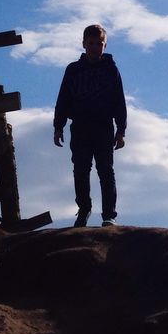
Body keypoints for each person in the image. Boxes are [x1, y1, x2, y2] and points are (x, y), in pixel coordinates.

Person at [53, 24, 127, 227]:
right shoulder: (73, 70)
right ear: (84, 44)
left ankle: (109, 215)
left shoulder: (111, 70)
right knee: (80, 169)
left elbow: (119, 100)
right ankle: (83, 210)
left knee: (105, 170)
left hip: (103, 126)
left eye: (99, 44)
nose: (95, 47)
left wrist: (121, 130)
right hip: (80, 127)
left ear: (105, 45)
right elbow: (63, 99)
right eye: (91, 43)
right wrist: (58, 126)